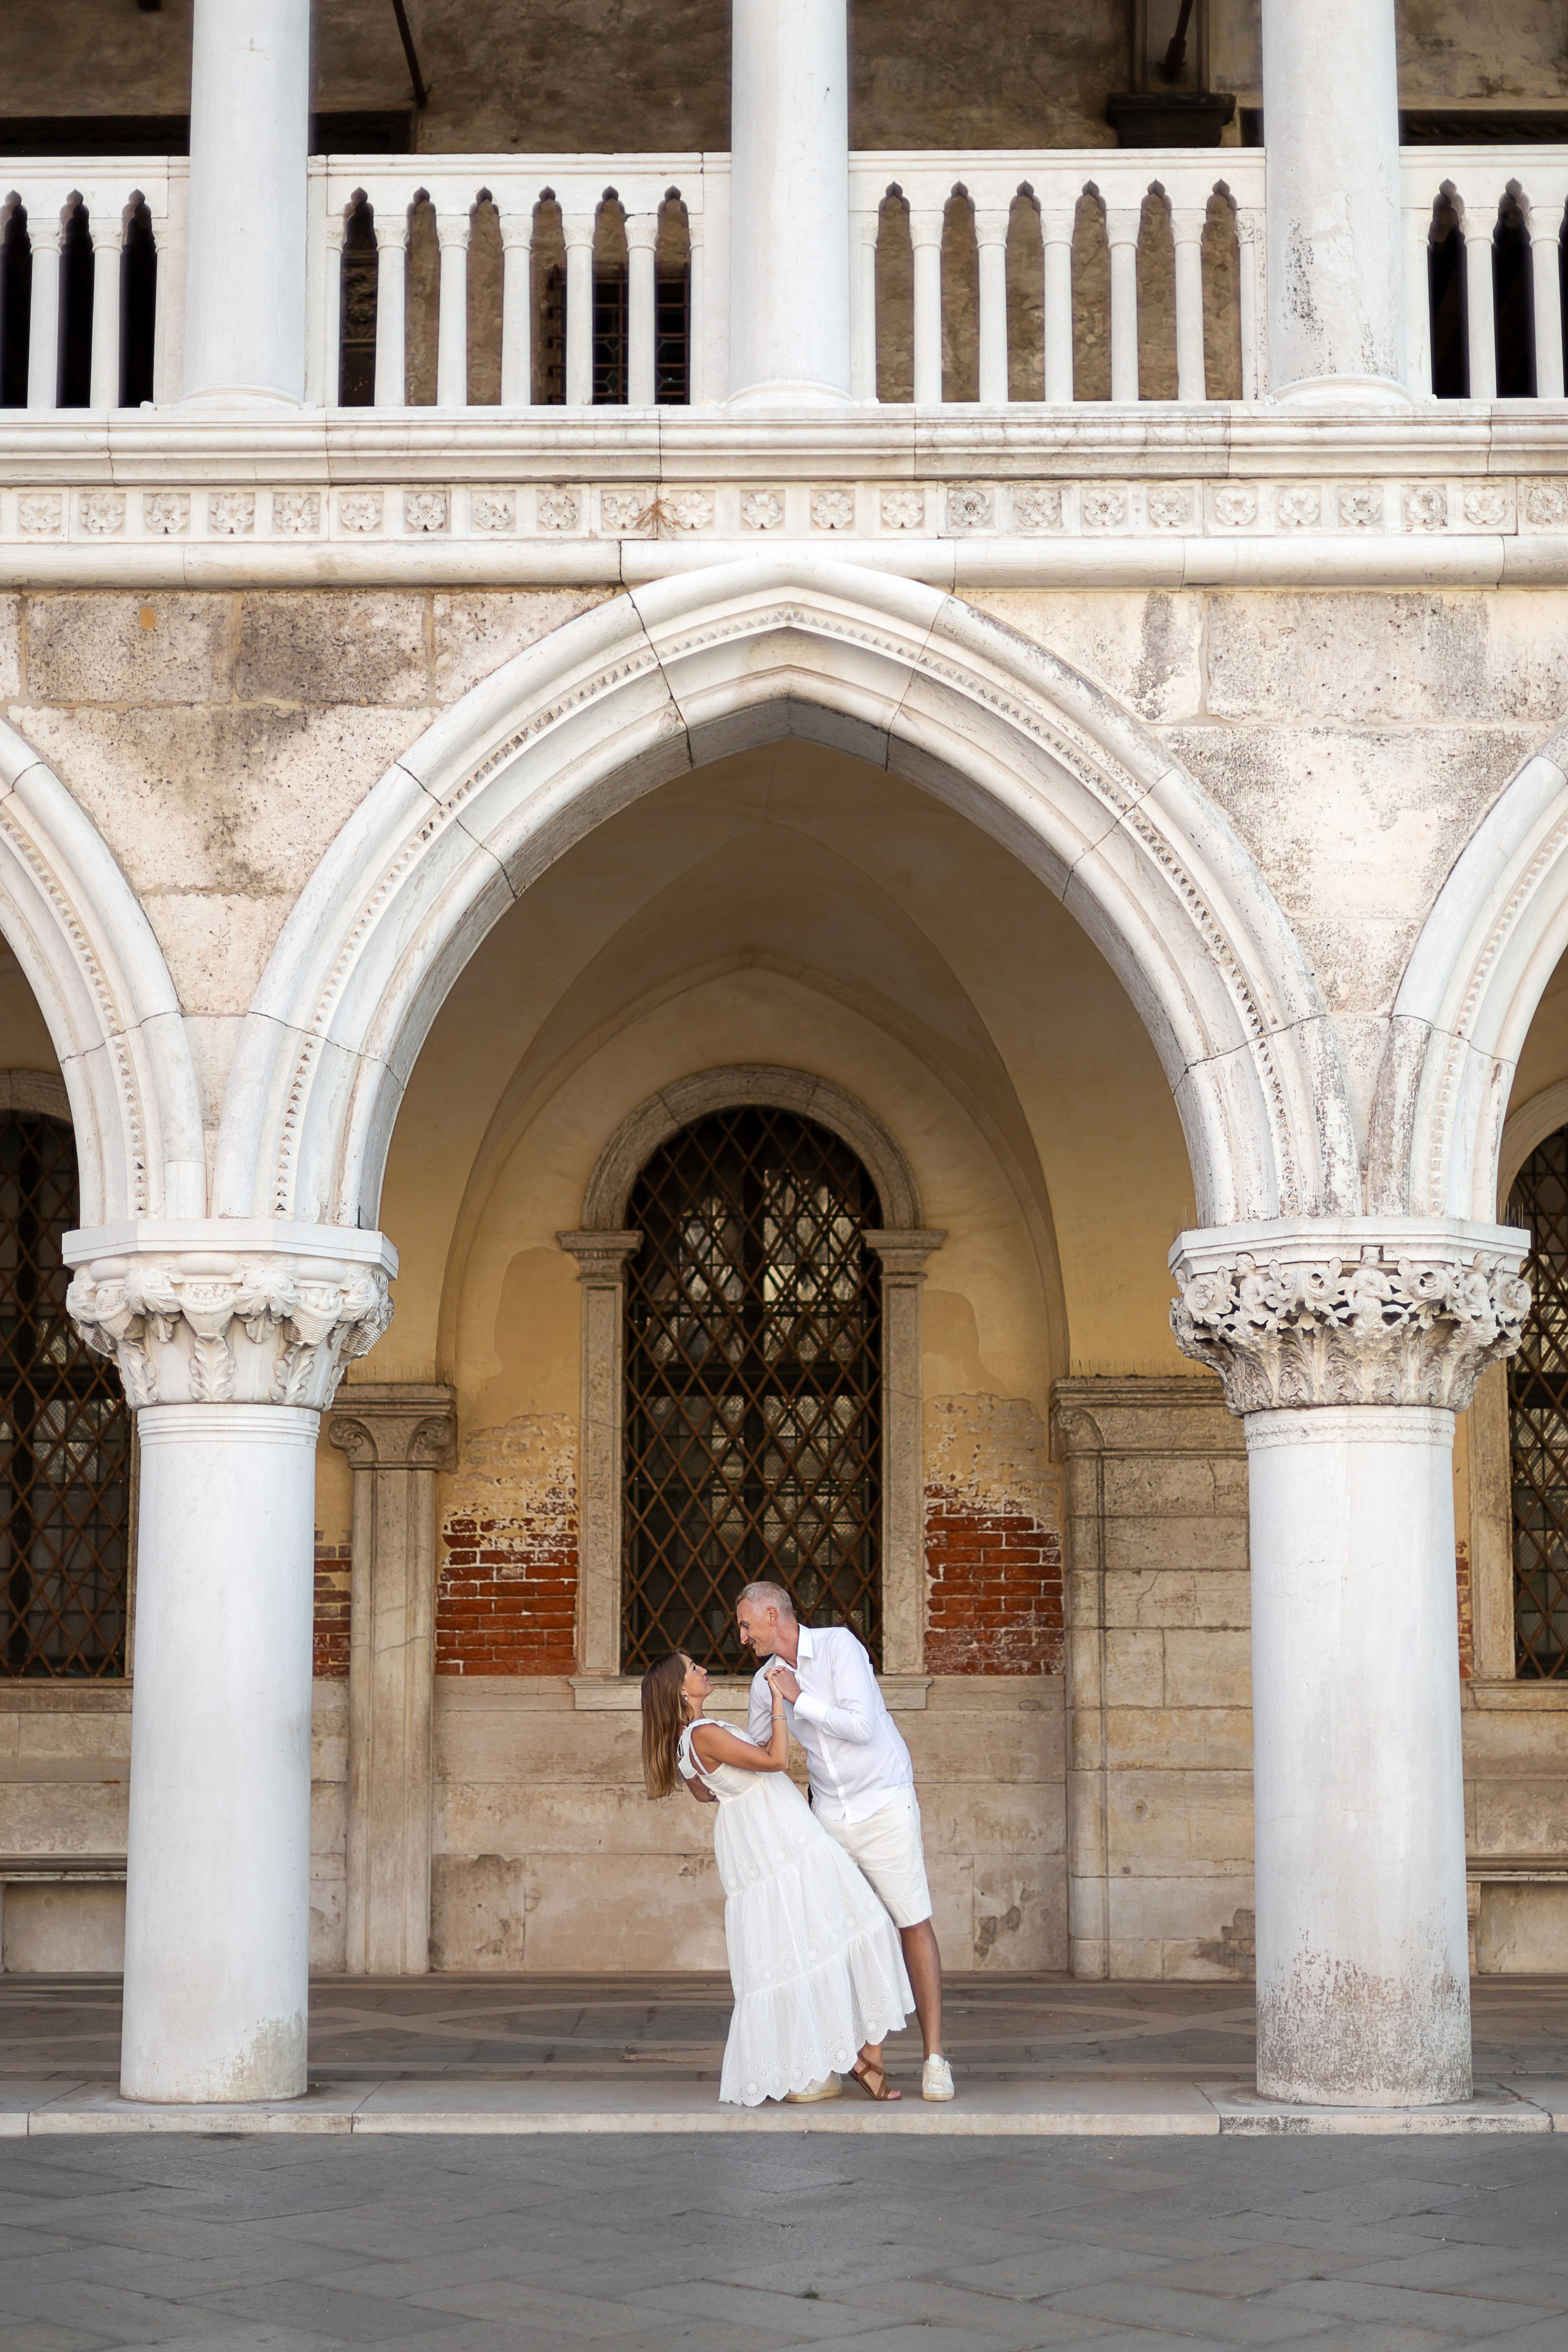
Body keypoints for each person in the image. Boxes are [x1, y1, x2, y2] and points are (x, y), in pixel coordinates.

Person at [641, 1648, 913, 2106]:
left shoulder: (684, 1742)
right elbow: (775, 1761)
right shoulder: (703, 1732)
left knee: (801, 1947)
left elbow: (707, 1795)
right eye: (693, 1669)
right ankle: (861, 2058)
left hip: (761, 1840)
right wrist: (777, 1706)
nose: (703, 1670)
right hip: (783, 1841)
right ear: (680, 1689)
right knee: (866, 1925)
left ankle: (837, 2059)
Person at [736, 1580, 955, 2101]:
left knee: (912, 1921)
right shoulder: (763, 1680)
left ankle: (934, 2060)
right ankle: (851, 2058)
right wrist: (700, 1750)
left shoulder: (838, 1647)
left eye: (746, 1625)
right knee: (840, 1936)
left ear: (772, 1616)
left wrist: (799, 1698)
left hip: (884, 1803)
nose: (742, 1637)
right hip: (828, 1814)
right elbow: (761, 1751)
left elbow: (859, 1727)